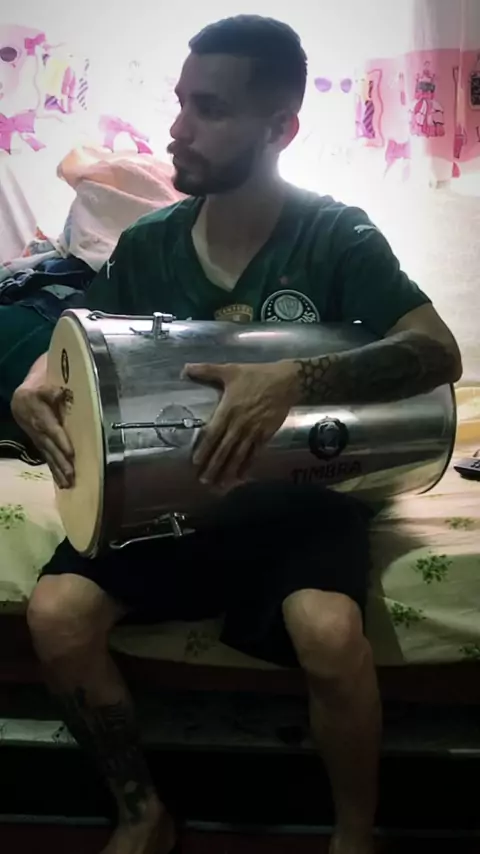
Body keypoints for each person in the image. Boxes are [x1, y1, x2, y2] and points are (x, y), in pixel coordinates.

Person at [11, 16, 461, 854]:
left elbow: (439, 354)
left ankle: (354, 835)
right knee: (57, 615)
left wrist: (293, 380)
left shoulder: (336, 235)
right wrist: (38, 378)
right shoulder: (148, 245)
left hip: (301, 497)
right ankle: (143, 813)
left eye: (209, 109)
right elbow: (77, 336)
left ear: (280, 127)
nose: (178, 128)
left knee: (329, 635)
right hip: (168, 494)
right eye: (181, 102)